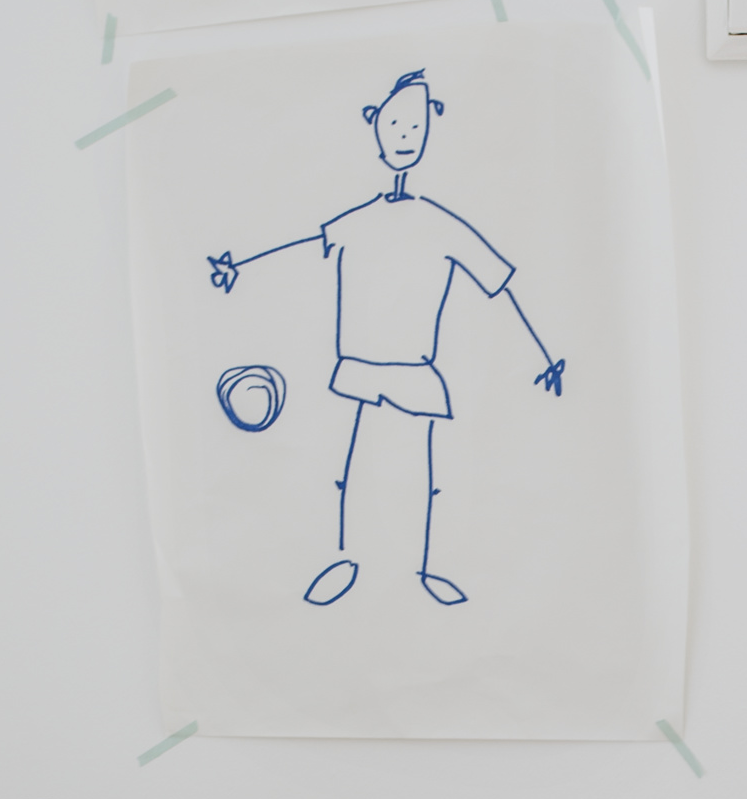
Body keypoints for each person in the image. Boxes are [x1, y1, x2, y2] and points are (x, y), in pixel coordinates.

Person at [208, 71, 564, 607]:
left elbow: (497, 282)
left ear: (430, 128)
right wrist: (241, 265)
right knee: (356, 464)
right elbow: (306, 242)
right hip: (362, 365)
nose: (404, 135)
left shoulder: (441, 225)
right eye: (395, 123)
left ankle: (421, 568)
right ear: (374, 124)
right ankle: (349, 558)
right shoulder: (358, 221)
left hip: (414, 370)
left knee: (417, 470)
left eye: (414, 125)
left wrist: (544, 355)